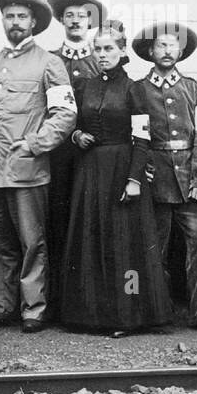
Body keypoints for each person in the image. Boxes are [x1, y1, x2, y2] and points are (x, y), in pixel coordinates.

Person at [0, 0, 77, 333]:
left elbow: (64, 114)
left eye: (21, 17)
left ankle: (34, 308)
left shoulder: (49, 62)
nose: (14, 22)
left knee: (32, 241)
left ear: (34, 23)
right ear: (2, 20)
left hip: (26, 169)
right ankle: (3, 306)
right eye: (9, 16)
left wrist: (34, 144)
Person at [61, 22, 172, 335]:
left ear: (122, 52)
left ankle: (128, 313)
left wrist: (135, 179)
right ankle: (90, 314)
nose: (102, 54)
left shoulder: (134, 89)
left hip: (122, 169)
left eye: (109, 48)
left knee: (124, 245)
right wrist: (78, 135)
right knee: (91, 239)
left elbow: (143, 138)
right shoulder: (87, 86)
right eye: (97, 49)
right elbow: (75, 124)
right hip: (90, 171)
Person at [130, 21, 197, 333]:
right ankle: (159, 311)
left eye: (172, 45)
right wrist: (143, 172)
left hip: (190, 181)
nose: (166, 51)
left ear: (181, 51)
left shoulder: (194, 89)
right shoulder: (138, 90)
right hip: (155, 179)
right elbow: (136, 137)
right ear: (150, 51)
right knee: (155, 247)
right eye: (160, 45)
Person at [45, 0, 105, 319]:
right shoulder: (50, 58)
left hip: (93, 153)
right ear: (61, 21)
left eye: (82, 16)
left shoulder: (102, 58)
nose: (75, 21)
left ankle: (88, 299)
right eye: (69, 16)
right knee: (57, 219)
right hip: (59, 153)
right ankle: (57, 302)